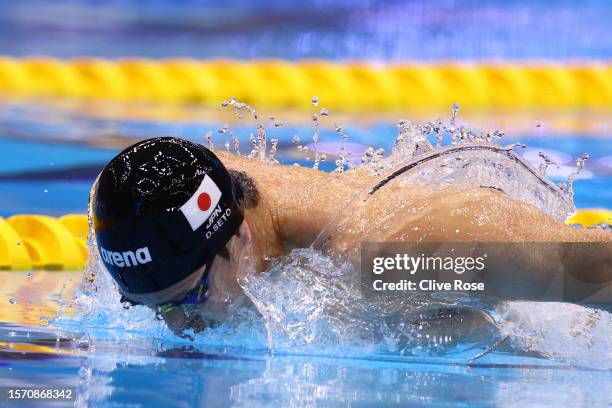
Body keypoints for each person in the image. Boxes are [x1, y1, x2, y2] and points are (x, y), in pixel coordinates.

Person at [92, 137, 611, 336]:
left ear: (241, 236)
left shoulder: (389, 260)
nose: (176, 326)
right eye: (148, 306)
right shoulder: (143, 200)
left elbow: (599, 271)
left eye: (191, 299)